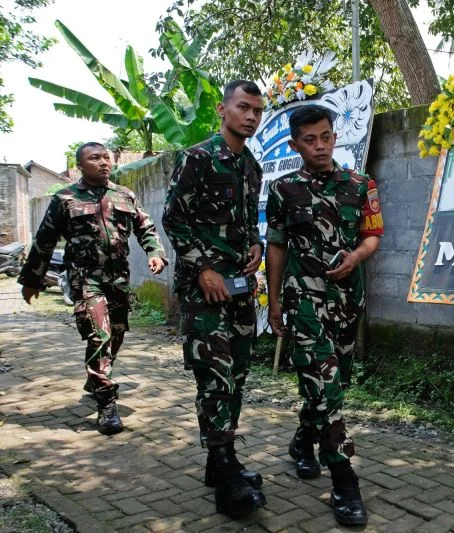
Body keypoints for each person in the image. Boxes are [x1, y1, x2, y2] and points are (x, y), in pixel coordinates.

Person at [266, 104, 383, 526]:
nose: (319, 145)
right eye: (309, 139)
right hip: (304, 302)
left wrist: (355, 257)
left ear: (336, 136)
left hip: (348, 301)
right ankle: (344, 481)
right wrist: (274, 302)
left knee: (330, 386)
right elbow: (275, 246)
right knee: (327, 388)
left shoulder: (360, 184)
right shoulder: (283, 190)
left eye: (326, 136)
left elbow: (372, 236)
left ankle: (302, 441)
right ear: (295, 144)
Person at [162, 79, 267, 518]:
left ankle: (217, 460)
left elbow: (247, 221)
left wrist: (258, 245)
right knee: (214, 375)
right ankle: (226, 471)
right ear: (222, 110)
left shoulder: (252, 166)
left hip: (240, 290)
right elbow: (172, 218)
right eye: (243, 107)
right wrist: (203, 268)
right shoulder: (198, 158)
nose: (251, 116)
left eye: (257, 111)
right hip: (205, 291)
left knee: (237, 372)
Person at [17, 142, 167, 436]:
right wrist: (32, 280)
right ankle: (107, 404)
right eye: (94, 158)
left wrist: (155, 253)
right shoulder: (65, 198)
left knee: (118, 332)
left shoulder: (125, 195)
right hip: (86, 278)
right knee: (99, 334)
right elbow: (44, 240)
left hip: (118, 279)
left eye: (106, 157)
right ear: (80, 166)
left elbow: (146, 228)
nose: (103, 162)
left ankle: (96, 376)